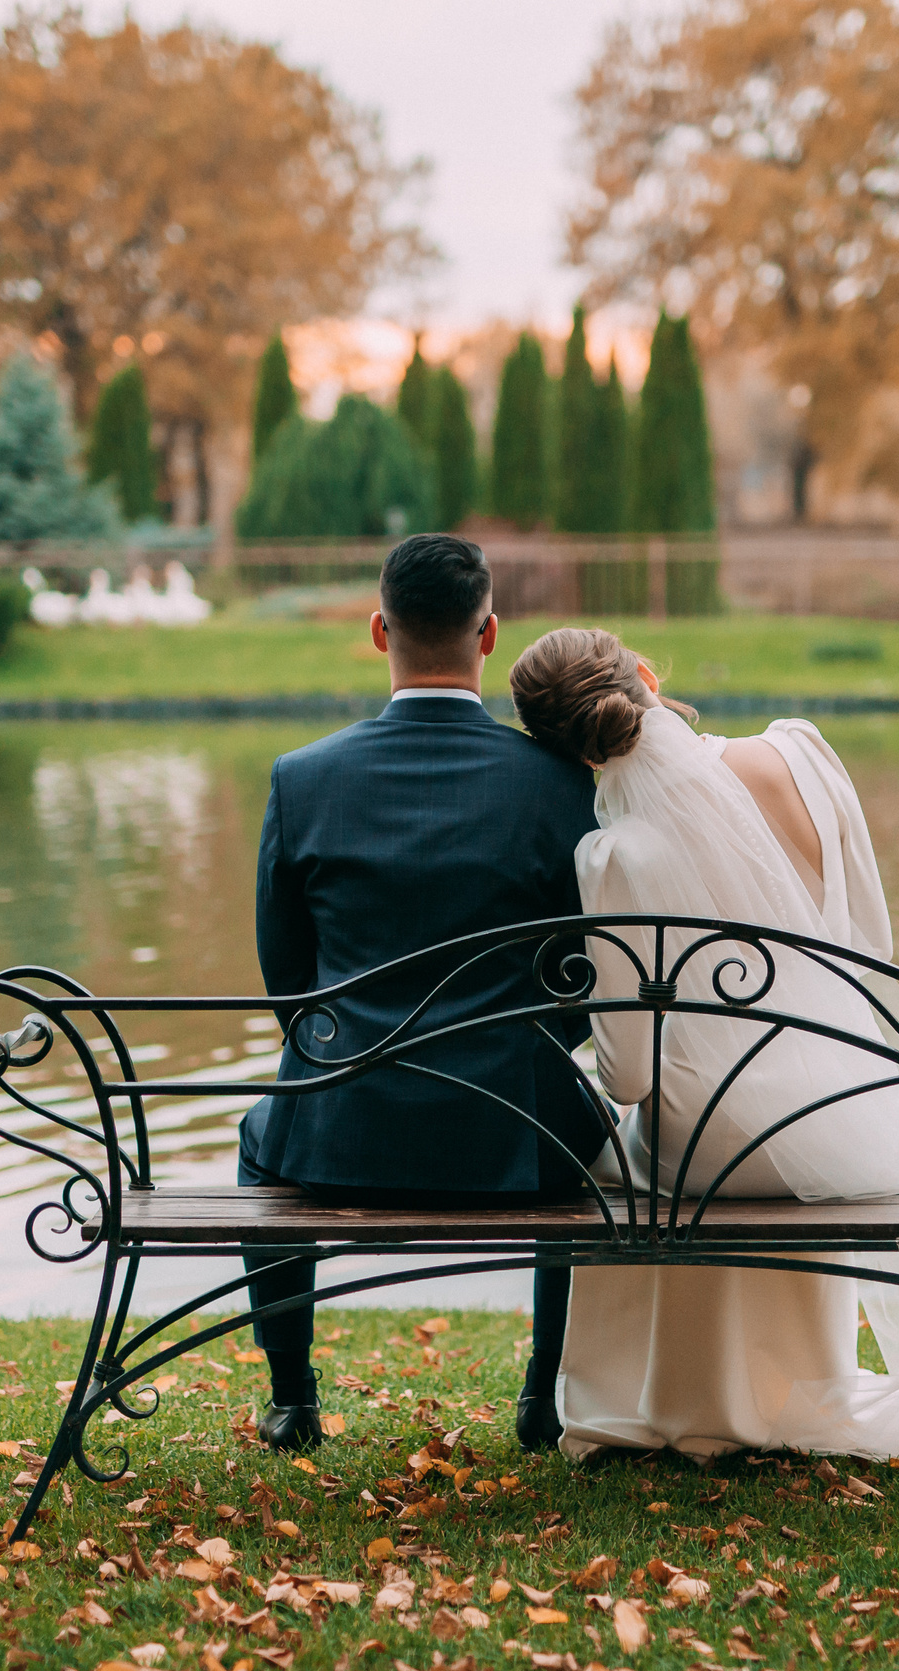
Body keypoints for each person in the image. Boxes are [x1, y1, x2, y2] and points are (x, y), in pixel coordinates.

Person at [507, 626, 899, 1461]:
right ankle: (789, 1382)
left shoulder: (613, 855)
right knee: (671, 1143)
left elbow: (633, 1078)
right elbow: (869, 943)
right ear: (647, 675)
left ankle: (656, 1398)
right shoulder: (799, 758)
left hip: (712, 1144)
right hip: (842, 1108)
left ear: (568, 755)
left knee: (619, 1161)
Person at [235, 535, 602, 1454]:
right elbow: (580, 984)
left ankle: (292, 1396)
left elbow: (287, 981)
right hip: (519, 1143)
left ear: (377, 631)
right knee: (581, 1131)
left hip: (338, 1134)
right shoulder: (558, 783)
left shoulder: (302, 779)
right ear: (488, 636)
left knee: (258, 1138)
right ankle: (543, 1399)